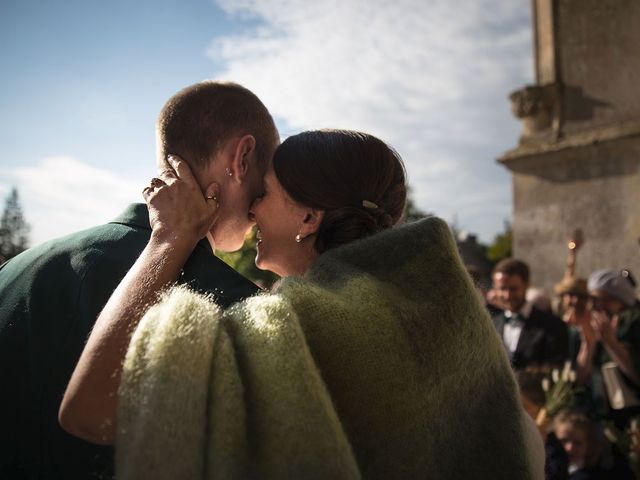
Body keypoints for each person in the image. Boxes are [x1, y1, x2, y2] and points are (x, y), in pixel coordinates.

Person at [61, 130, 544, 479]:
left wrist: (167, 240)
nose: (250, 207)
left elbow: (88, 410)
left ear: (310, 217)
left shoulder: (289, 331)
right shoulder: (452, 324)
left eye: (264, 193)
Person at [0, 80, 279, 479]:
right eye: (267, 179)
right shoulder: (234, 306)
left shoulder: (18, 267)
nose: (265, 200)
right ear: (243, 157)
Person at [576, 269, 640, 424]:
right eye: (593, 299)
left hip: (632, 415)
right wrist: (589, 344)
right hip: (600, 415)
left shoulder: (634, 322)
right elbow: (579, 379)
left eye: (603, 300)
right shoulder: (592, 323)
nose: (597, 306)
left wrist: (611, 343)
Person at [491, 258, 569, 371]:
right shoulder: (491, 325)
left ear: (526, 285)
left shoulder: (552, 325)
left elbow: (555, 368)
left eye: (513, 289)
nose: (507, 295)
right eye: (502, 289)